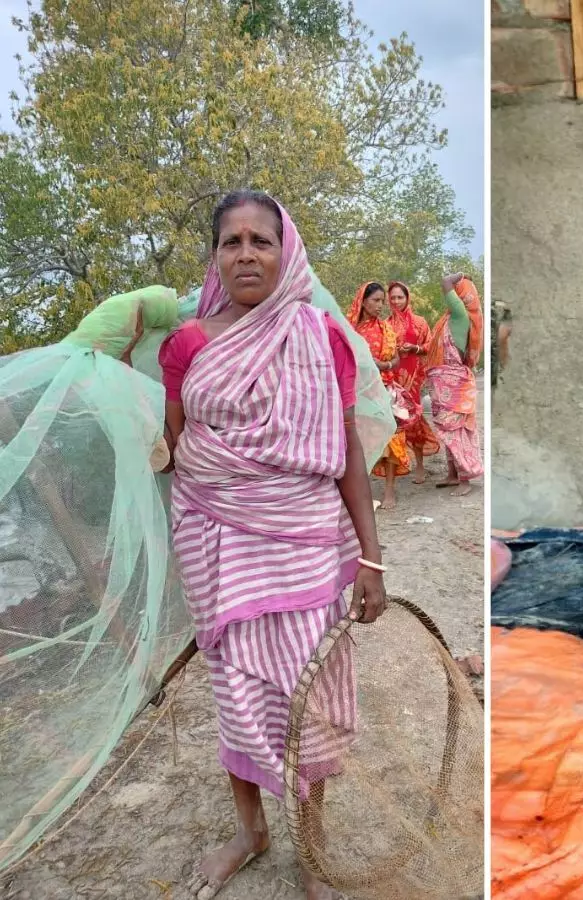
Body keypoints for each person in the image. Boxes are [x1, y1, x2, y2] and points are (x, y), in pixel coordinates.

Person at [158, 190, 386, 900]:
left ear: (287, 253)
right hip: (217, 544)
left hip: (305, 542)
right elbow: (174, 447)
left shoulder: (320, 336)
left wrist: (370, 558)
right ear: (215, 257)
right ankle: (251, 831)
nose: (248, 253)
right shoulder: (189, 344)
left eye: (262, 240)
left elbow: (343, 445)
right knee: (237, 690)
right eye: (233, 242)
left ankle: (310, 849)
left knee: (307, 694)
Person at [347, 281, 409, 509]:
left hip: (384, 391)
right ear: (363, 301)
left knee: (390, 439)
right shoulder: (349, 330)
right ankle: (364, 494)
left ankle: (390, 491)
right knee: (360, 443)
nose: (381, 305)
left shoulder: (386, 330)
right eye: (376, 300)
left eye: (383, 301)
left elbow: (396, 360)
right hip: (358, 394)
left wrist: (382, 365)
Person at [426, 273, 482, 498]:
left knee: (455, 432)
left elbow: (445, 281)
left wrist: (459, 276)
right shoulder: (452, 318)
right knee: (446, 431)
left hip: (453, 383)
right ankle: (452, 475)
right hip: (443, 383)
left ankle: (465, 479)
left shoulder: (460, 315)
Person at [385, 281, 441, 484]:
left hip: (413, 377)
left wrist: (414, 349)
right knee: (395, 420)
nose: (396, 301)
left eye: (400, 297)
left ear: (407, 298)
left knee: (414, 418)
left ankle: (420, 465)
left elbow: (430, 345)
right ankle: (397, 463)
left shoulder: (419, 322)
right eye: (393, 298)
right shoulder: (386, 324)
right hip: (393, 377)